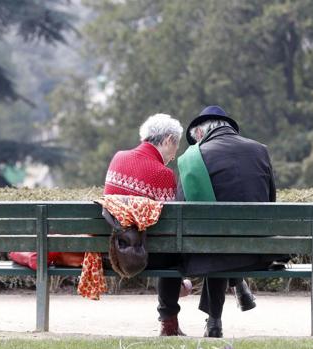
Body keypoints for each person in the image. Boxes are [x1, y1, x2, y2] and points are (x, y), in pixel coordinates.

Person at [174, 105, 282, 338]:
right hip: (258, 249)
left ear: (200, 134)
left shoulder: (193, 157)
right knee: (224, 243)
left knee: (216, 244)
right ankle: (238, 285)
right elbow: (271, 199)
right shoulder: (260, 150)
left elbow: (183, 209)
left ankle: (215, 321)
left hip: (213, 252)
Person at [102, 113, 191, 335]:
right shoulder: (162, 173)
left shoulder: (118, 157)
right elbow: (168, 227)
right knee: (173, 254)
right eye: (176, 146)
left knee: (168, 250)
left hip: (111, 251)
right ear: (169, 139)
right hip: (144, 255)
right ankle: (169, 323)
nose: (175, 153)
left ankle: (175, 301)